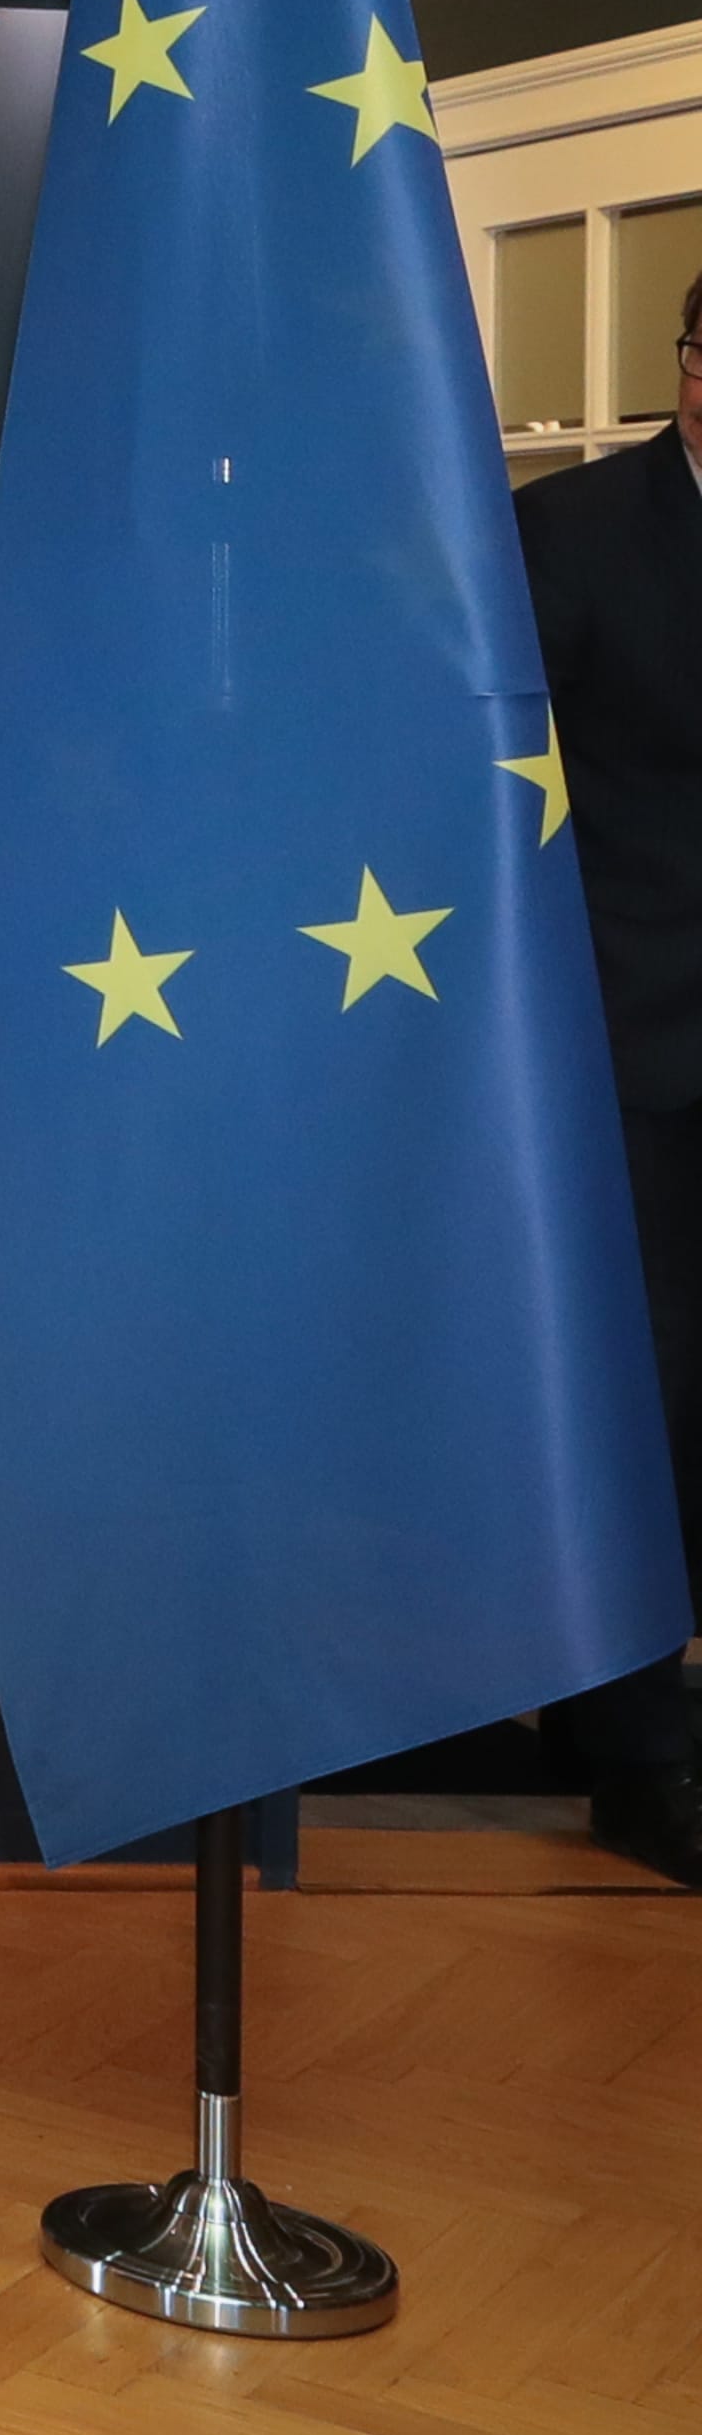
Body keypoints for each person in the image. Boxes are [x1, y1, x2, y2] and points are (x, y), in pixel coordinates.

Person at [512, 283, 702, 1890]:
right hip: (636, 1047)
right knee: (655, 1403)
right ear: (686, 367)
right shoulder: (571, 533)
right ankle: (636, 1752)